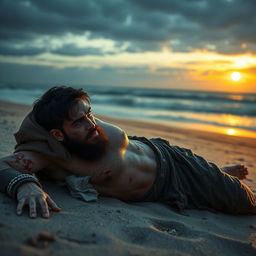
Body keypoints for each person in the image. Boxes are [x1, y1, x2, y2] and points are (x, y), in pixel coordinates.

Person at [0, 86, 255, 219]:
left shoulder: (77, 116)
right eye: (78, 122)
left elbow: (58, 106)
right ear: (57, 134)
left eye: (89, 114)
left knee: (247, 201)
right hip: (162, 189)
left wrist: (80, 114)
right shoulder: (49, 151)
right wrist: (25, 185)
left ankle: (216, 173)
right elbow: (4, 165)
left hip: (171, 157)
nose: (91, 124)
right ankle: (217, 175)